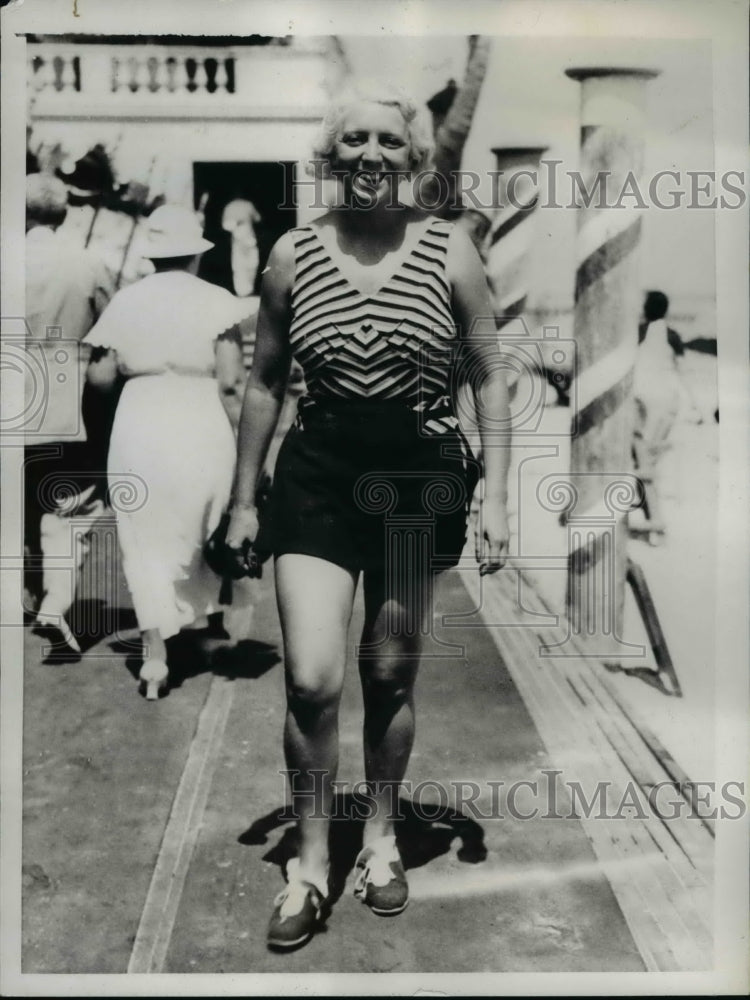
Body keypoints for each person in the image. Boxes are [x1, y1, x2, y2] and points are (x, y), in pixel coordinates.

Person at [225, 81, 511, 950]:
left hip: (419, 475)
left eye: (389, 141)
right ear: (330, 155)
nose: (371, 156)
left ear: (413, 158)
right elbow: (266, 380)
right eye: (353, 140)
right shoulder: (292, 255)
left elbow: (492, 373)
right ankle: (309, 865)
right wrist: (243, 499)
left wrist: (497, 490)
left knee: (389, 674)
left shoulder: (450, 250)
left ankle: (380, 838)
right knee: (312, 678)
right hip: (317, 472)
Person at [83, 204, 254, 699]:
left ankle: (155, 657)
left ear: (152, 255)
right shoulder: (219, 301)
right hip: (200, 420)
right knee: (203, 525)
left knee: (146, 537)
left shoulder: (125, 301)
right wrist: (254, 459)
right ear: (196, 255)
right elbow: (229, 384)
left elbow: (100, 379)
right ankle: (205, 631)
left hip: (141, 419)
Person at [24, 172, 114, 652]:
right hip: (65, 399)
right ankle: (55, 601)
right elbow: (111, 328)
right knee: (68, 505)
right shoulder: (86, 262)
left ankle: (20, 590)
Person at [632, 290, 687, 540]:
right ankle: (653, 522)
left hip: (643, 405)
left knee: (643, 467)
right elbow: (681, 374)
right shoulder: (673, 336)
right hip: (668, 406)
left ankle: (656, 523)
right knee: (647, 466)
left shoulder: (639, 332)